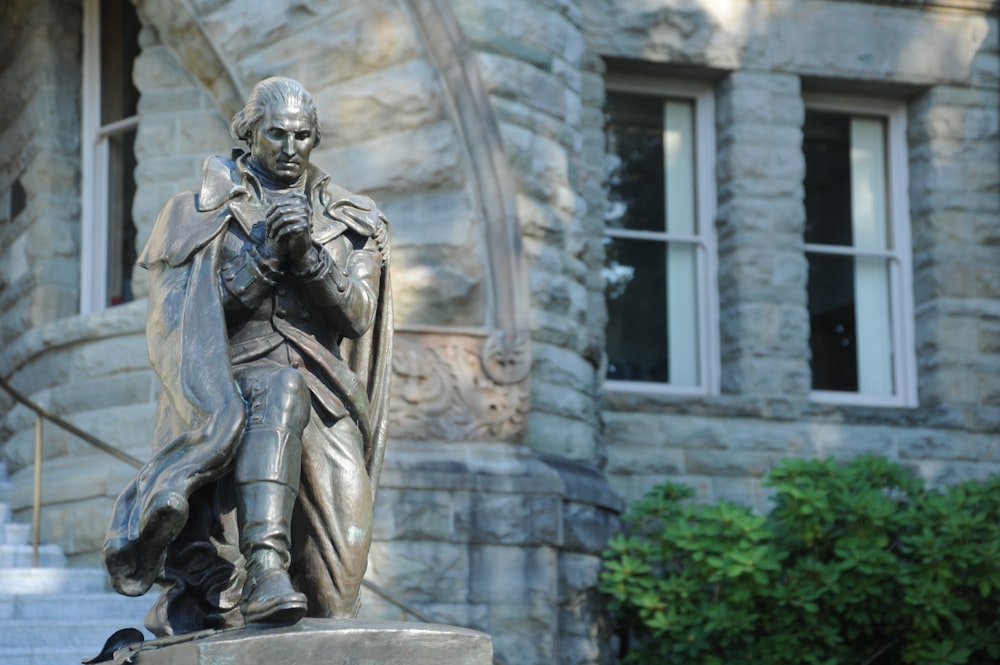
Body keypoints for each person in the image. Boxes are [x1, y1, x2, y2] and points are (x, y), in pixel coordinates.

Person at [102, 77, 393, 635]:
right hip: (230, 391)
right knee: (281, 387)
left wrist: (308, 255)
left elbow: (359, 316)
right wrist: (261, 259)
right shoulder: (195, 211)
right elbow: (181, 323)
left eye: (302, 136)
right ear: (249, 133)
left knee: (336, 596)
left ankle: (277, 582)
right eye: (276, 134)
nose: (290, 148)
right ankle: (264, 567)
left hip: (328, 402)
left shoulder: (351, 219)